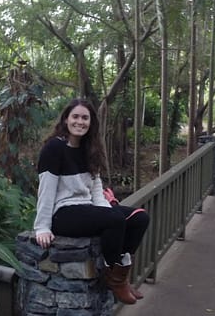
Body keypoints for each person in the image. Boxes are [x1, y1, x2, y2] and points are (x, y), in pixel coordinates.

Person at [32, 98, 150, 305]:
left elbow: (96, 188)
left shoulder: (90, 148)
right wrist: (42, 226)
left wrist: (107, 211)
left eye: (85, 118)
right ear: (66, 119)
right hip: (63, 213)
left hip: (86, 208)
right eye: (75, 117)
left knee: (140, 218)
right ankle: (114, 279)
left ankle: (120, 275)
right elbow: (46, 190)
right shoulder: (55, 148)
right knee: (115, 219)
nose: (80, 122)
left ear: (91, 122)